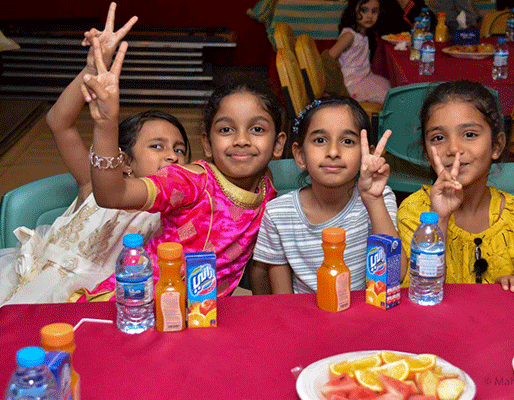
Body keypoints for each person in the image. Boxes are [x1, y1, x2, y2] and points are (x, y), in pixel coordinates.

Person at [0, 3, 192, 306]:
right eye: (157, 146)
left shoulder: (168, 213)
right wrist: (92, 69)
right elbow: (59, 122)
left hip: (96, 301)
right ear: (124, 162)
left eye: (179, 149)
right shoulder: (95, 185)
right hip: (32, 286)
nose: (172, 156)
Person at [80, 38, 287, 298]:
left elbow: (261, 265)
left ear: (278, 144)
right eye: (226, 129)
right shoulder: (190, 182)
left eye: (257, 129)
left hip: (202, 312)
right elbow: (112, 194)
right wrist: (106, 124)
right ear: (207, 143)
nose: (241, 140)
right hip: (136, 304)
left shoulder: (266, 189)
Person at [396, 80, 514, 292]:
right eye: (438, 138)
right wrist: (440, 219)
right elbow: (417, 292)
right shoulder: (414, 212)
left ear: (497, 145)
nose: (453, 148)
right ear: (427, 154)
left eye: (469, 135)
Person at [252, 97, 401, 294]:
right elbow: (283, 299)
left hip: (365, 311)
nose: (333, 152)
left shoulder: (379, 197)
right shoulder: (278, 214)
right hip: (302, 313)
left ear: (367, 155)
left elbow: (394, 275)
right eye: (320, 140)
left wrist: (373, 200)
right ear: (300, 155)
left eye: (347, 141)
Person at [329, 0, 391, 104]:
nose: (369, 16)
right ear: (353, 10)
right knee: (387, 96)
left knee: (390, 90)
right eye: (364, 10)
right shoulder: (349, 36)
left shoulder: (365, 34)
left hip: (364, 76)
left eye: (374, 11)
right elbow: (328, 58)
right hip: (351, 82)